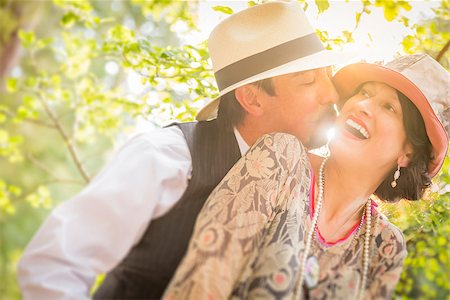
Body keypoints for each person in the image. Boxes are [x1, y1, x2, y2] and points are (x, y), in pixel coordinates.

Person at [17, 2, 353, 299]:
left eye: (328, 75)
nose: (331, 94)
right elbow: (54, 264)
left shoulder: (314, 187)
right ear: (252, 98)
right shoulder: (168, 157)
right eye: (309, 81)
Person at [163, 54, 449, 299]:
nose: (362, 105)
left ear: (408, 154)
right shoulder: (281, 158)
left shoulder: (386, 246)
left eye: (389, 107)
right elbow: (206, 276)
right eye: (365, 93)